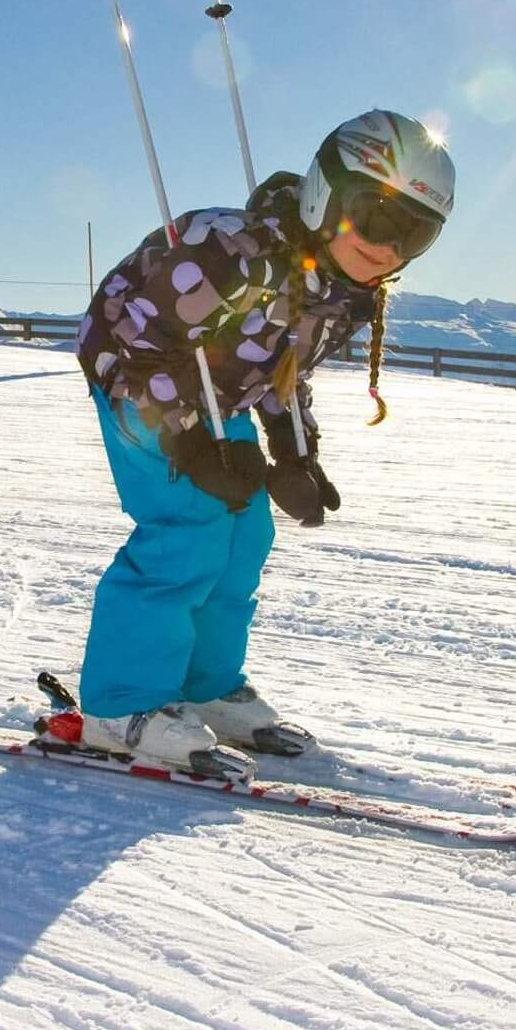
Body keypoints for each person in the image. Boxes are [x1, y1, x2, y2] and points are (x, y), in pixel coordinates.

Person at [69, 109, 455, 774]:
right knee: (188, 526)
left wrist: (295, 451)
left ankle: (206, 686)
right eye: (376, 217)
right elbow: (132, 343)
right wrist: (190, 443)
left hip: (220, 396)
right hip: (139, 384)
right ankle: (121, 705)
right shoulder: (226, 250)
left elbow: (283, 369)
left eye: (415, 233)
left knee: (247, 531)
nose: (390, 246)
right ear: (326, 195)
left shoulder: (340, 289)